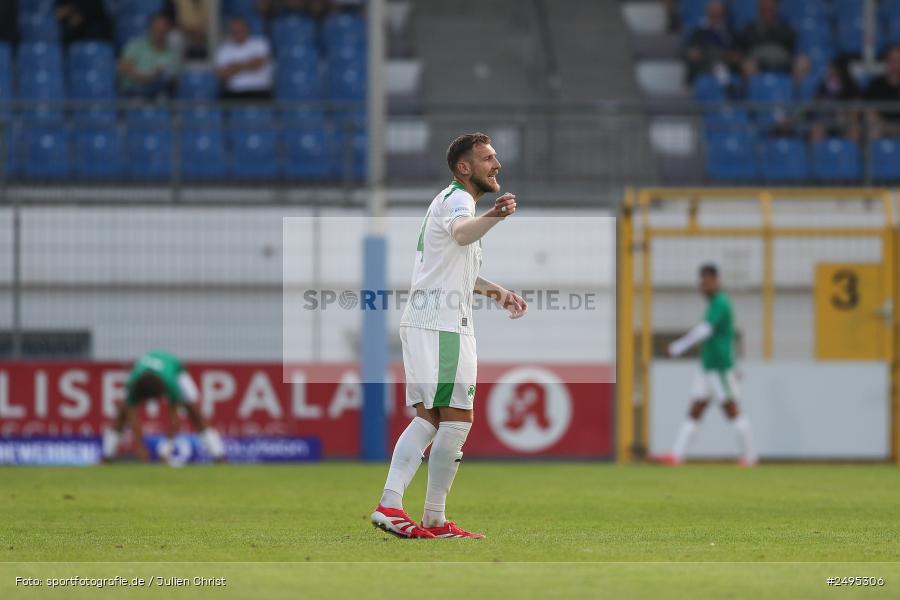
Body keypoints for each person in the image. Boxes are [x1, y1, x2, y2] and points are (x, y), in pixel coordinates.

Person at [370, 133, 527, 539]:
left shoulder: (450, 201)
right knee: (453, 420)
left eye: (496, 157)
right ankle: (401, 507)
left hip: (430, 322)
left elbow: (459, 267)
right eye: (488, 158)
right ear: (464, 167)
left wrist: (499, 293)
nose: (496, 165)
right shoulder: (459, 201)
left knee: (435, 418)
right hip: (441, 325)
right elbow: (461, 234)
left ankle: (421, 516)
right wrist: (495, 216)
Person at [658, 264, 757, 467]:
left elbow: (705, 330)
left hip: (719, 368)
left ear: (716, 281)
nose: (703, 286)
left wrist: (678, 347)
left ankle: (750, 456)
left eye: (706, 281)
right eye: (701, 281)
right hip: (707, 368)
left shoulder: (721, 302)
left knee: (732, 410)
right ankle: (677, 455)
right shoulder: (714, 303)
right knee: (695, 409)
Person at [102, 350, 226, 465]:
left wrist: (166, 449)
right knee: (122, 414)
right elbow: (134, 421)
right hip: (149, 372)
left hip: (177, 371)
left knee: (194, 412)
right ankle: (107, 456)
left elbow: (175, 421)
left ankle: (218, 455)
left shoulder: (171, 383)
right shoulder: (132, 385)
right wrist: (140, 448)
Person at [118, 14, 180, 100]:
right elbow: (123, 66)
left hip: (160, 92)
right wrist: (145, 77)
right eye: (157, 29)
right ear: (150, 29)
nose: (159, 33)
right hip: (134, 90)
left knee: (164, 95)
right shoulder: (136, 45)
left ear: (168, 32)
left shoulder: (172, 54)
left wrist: (158, 74)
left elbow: (174, 76)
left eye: (163, 31)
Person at [215, 17, 274, 101]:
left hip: (259, 91)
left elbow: (257, 64)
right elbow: (222, 74)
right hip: (234, 93)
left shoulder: (260, 43)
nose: (238, 32)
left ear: (247, 29)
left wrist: (234, 66)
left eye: (241, 29)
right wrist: (248, 64)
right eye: (235, 30)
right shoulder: (224, 48)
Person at [682, 0, 741, 84]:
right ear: (707, 14)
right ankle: (722, 78)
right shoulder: (698, 33)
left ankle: (724, 79)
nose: (715, 17)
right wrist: (691, 52)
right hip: (704, 69)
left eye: (718, 15)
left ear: (723, 15)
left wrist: (732, 56)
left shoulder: (731, 33)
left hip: (728, 66)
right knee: (712, 53)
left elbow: (737, 53)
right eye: (712, 14)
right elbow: (686, 51)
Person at [738, 0, 797, 77]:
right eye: (764, 9)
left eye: (770, 9)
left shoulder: (786, 30)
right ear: (759, 10)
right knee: (748, 66)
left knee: (801, 63)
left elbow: (792, 52)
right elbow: (742, 53)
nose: (767, 12)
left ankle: (799, 89)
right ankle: (753, 88)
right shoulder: (749, 30)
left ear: (776, 9)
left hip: (783, 65)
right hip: (757, 65)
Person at [809, 57, 861, 143]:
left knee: (854, 129)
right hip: (827, 120)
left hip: (845, 121)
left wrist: (845, 116)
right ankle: (817, 155)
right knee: (816, 129)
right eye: (830, 70)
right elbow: (815, 102)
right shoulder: (823, 86)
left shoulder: (851, 87)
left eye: (834, 71)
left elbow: (855, 109)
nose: (831, 73)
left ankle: (851, 154)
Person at [865, 46, 900, 138]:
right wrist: (883, 124)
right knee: (874, 127)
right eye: (893, 60)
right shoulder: (876, 84)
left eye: (898, 61)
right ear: (887, 61)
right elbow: (869, 108)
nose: (896, 64)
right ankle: (874, 151)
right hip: (882, 126)